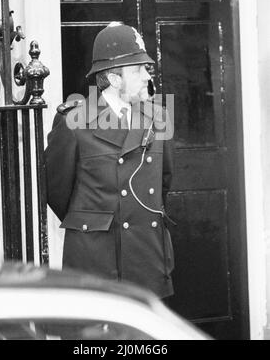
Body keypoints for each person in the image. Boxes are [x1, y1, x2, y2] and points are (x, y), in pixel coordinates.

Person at [45, 22, 175, 299]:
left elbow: (164, 182)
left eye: (145, 68)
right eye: (138, 69)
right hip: (95, 260)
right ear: (115, 79)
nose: (146, 76)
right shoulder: (73, 121)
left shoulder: (159, 117)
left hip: (146, 257)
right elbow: (56, 191)